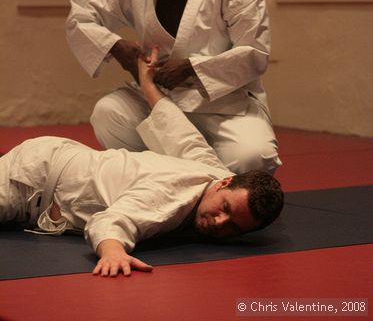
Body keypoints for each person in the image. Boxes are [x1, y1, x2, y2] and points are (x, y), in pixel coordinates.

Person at [0, 52, 284, 277]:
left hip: (57, 161)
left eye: (233, 228)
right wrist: (113, 253)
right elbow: (112, 221)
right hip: (32, 177)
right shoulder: (171, 197)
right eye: (225, 209)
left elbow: (176, 130)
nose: (220, 223)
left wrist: (147, 83)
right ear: (225, 184)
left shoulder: (213, 173)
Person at [65, 0, 281, 174]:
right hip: (159, 98)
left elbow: (254, 54)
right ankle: (163, 178)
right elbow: (79, 16)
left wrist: (191, 68)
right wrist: (114, 46)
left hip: (224, 105)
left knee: (253, 158)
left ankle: (187, 177)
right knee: (108, 114)